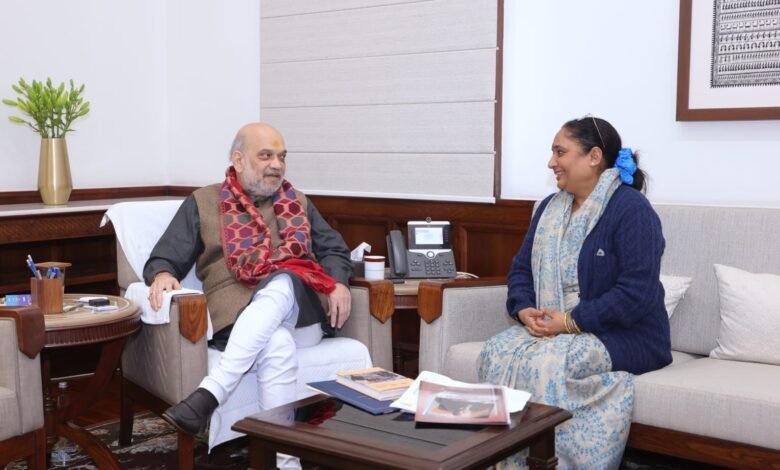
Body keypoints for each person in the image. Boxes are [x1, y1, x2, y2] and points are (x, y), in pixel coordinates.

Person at [479, 116, 671, 469]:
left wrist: (569, 322)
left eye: (560, 152)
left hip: (626, 335)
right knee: (496, 349)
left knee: (549, 362)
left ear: (594, 156)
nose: (551, 162)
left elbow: (636, 294)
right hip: (557, 327)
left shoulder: (632, 210)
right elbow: (521, 270)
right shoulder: (549, 209)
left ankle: (552, 463)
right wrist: (524, 309)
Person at [143, 123, 353, 443]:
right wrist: (162, 274)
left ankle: (211, 392)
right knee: (275, 343)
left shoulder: (298, 202)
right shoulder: (203, 202)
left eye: (282, 156)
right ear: (239, 160)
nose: (277, 164)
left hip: (303, 316)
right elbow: (164, 257)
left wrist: (338, 282)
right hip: (233, 317)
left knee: (283, 280)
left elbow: (335, 250)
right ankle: (285, 460)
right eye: (266, 155)